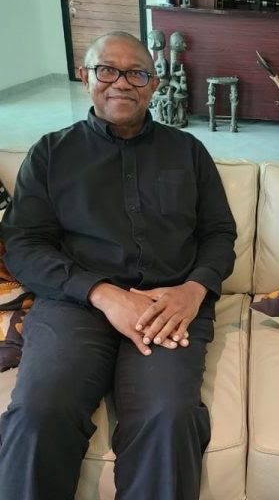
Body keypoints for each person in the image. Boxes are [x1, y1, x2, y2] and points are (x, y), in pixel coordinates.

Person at [0, 31, 237, 500]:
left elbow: (219, 234)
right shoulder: (51, 153)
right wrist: (102, 294)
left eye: (137, 73)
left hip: (167, 305)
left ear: (154, 84)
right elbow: (24, 244)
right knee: (38, 413)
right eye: (107, 70)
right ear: (85, 76)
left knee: (169, 417)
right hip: (75, 304)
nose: (122, 83)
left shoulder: (188, 152)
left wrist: (193, 291)